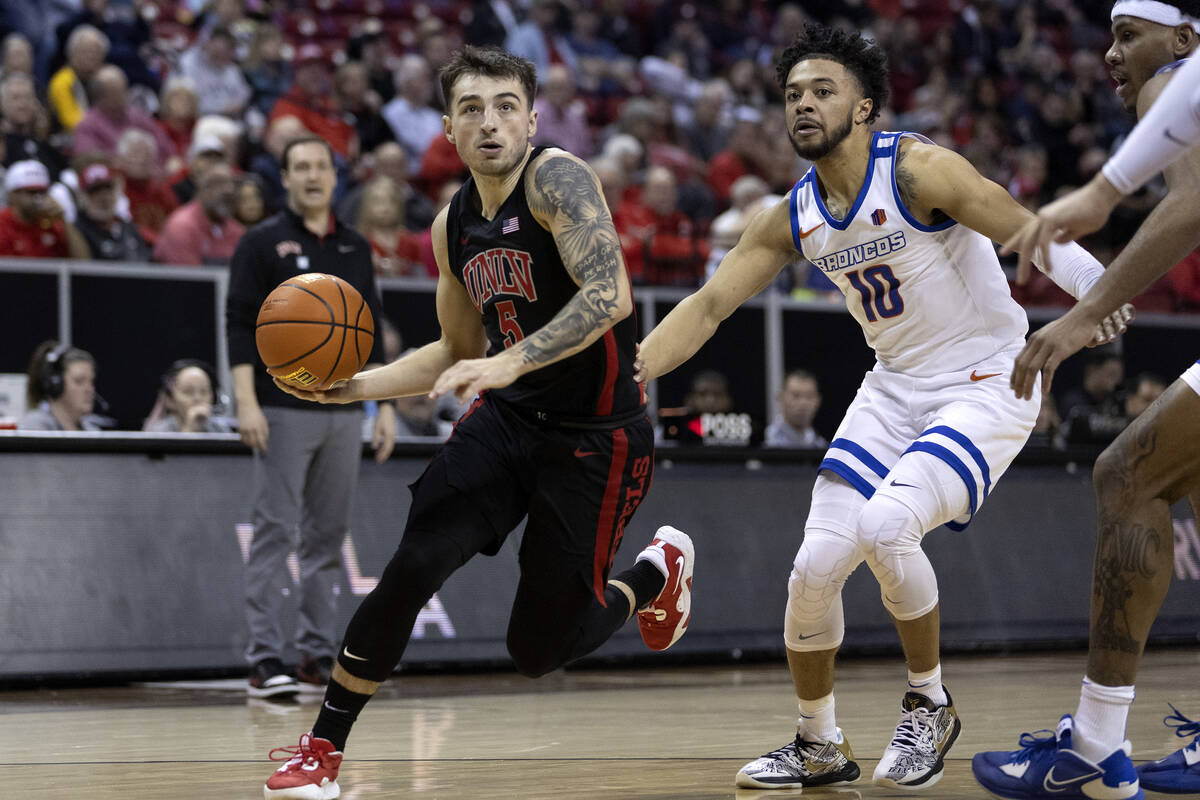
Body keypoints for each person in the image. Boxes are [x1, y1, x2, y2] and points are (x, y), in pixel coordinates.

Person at [634, 23, 1131, 791]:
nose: (803, 104)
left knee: (885, 524)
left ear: (865, 108)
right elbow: (707, 307)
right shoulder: (792, 213)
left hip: (984, 380)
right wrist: (632, 373)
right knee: (813, 568)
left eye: (822, 90)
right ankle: (818, 744)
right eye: (793, 93)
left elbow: (1024, 227)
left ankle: (929, 702)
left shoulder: (919, 170)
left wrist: (1097, 293)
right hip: (893, 384)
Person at [258, 46, 694, 800]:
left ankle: (656, 572)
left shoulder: (557, 179)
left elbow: (610, 296)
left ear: (530, 118)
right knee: (414, 563)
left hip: (596, 435)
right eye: (470, 108)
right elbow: (454, 352)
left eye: (503, 105)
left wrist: (508, 361)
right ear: (449, 131)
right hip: (510, 420)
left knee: (537, 649)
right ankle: (321, 751)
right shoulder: (451, 225)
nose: (488, 121)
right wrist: (354, 387)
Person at [973, 2, 1200, 796]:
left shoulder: (1170, 83)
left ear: (1184, 39)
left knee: (1126, 476)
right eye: (1108, 35)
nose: (1111, 54)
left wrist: (1081, 317)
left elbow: (1191, 204)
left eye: (1128, 35)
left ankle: (1096, 745)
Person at [226, 135, 397, 702]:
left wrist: (385, 407)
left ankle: (316, 653)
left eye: (320, 166)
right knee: (275, 529)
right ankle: (264, 657)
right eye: (300, 167)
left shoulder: (355, 247)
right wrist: (246, 402)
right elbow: (237, 326)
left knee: (327, 535)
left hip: (344, 407)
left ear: (334, 176)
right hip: (280, 408)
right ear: (286, 178)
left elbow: (370, 331)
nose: (312, 176)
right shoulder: (261, 242)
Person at [154, 162, 244, 266]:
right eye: (218, 183)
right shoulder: (182, 226)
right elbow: (190, 279)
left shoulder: (236, 230)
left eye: (231, 183)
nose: (228, 190)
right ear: (201, 189)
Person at [0, 160, 90, 259]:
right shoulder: (3, 223)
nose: (38, 198)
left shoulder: (52, 223)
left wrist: (64, 220)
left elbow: (83, 262)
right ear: (13, 194)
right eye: (31, 192)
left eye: (42, 192)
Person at [73, 161, 150, 262]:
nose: (104, 197)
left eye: (108, 189)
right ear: (83, 197)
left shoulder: (128, 226)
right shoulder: (79, 231)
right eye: (95, 191)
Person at [18, 340, 100, 431]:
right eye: (79, 381)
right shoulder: (35, 427)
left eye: (91, 382)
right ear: (56, 384)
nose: (89, 389)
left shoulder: (91, 430)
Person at [143, 359, 230, 433]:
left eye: (204, 391)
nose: (197, 398)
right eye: (188, 392)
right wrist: (190, 428)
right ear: (170, 400)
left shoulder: (220, 429)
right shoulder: (159, 432)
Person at [765, 369, 826, 448]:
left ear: (818, 400)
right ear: (781, 398)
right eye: (796, 396)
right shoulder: (766, 443)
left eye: (809, 396)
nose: (803, 403)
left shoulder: (823, 447)